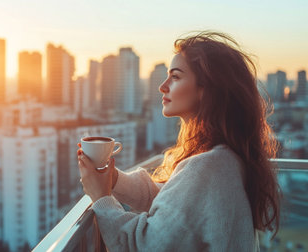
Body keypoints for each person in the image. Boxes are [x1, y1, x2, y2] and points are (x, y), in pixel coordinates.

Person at [77, 31, 281, 251]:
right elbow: (174, 203)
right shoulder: (225, 158)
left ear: (207, 90)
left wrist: (101, 197)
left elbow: (142, 245)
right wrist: (113, 179)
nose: (162, 86)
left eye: (175, 76)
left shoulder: (209, 166)